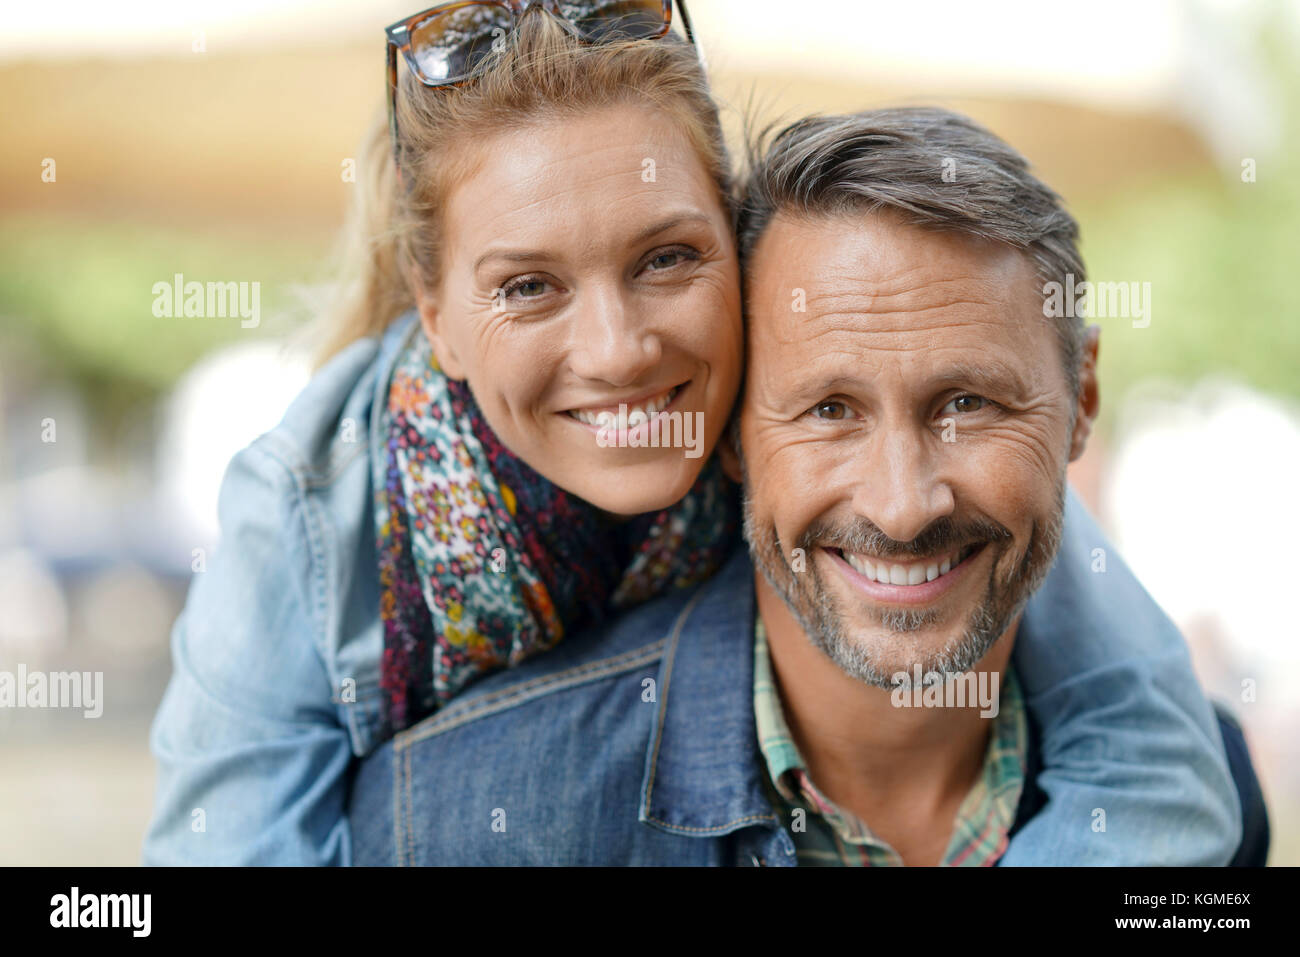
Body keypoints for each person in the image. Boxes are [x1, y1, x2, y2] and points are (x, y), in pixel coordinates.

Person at [143, 7, 1245, 865]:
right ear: (437, 317)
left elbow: (1143, 731)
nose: (620, 348)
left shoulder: (804, 382)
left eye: (666, 258)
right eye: (528, 285)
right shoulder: (309, 513)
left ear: (738, 246)